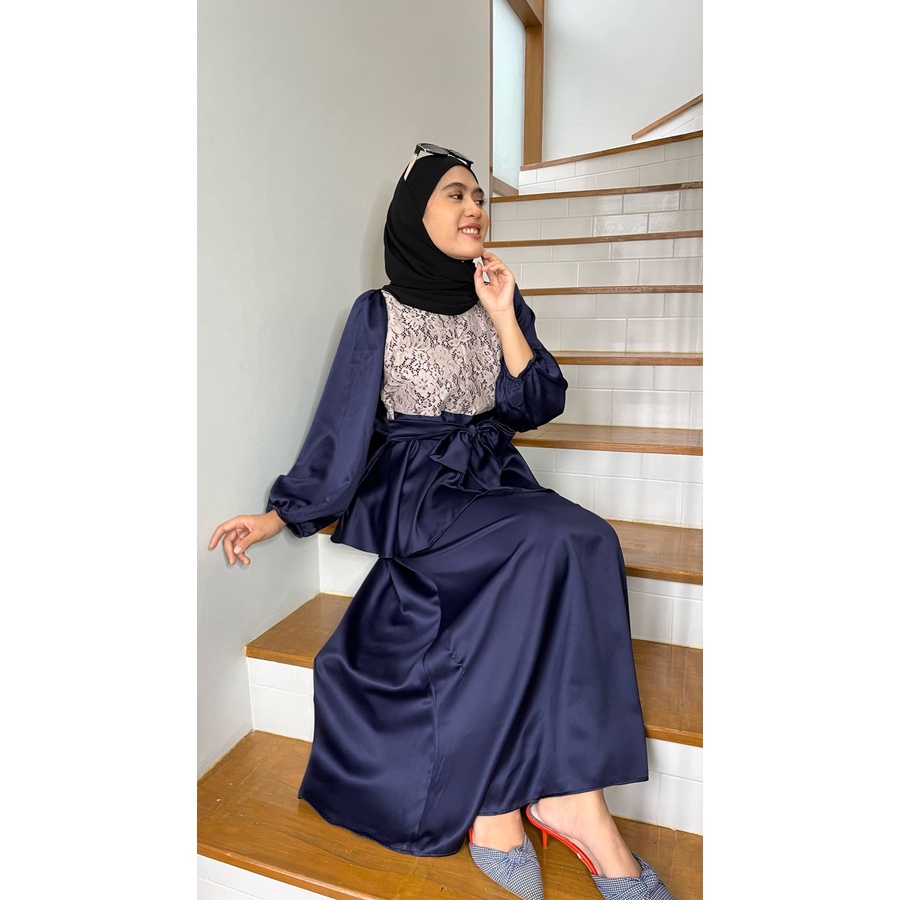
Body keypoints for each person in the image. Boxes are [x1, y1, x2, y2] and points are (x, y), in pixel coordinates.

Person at [209, 143, 675, 900]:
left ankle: (567, 799)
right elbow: (344, 421)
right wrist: (282, 514)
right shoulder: (378, 311)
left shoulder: (496, 297)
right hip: (422, 491)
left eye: (479, 197)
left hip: (493, 476)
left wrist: (504, 313)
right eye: (455, 195)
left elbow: (537, 404)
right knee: (553, 543)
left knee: (587, 540)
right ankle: (508, 805)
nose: (474, 208)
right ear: (414, 215)